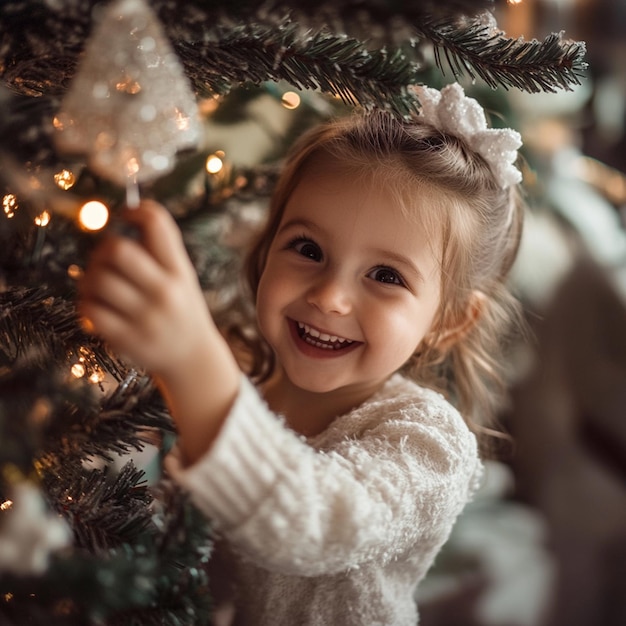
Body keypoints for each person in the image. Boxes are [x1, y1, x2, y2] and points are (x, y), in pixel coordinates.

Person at [78, 82, 525, 626]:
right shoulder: (241, 374)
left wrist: (190, 355)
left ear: (450, 321)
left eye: (386, 276)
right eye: (307, 249)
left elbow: (310, 525)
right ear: (266, 250)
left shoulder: (430, 443)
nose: (329, 297)